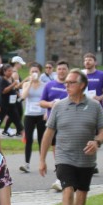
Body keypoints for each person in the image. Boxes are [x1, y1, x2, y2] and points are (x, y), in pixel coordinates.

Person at [38, 68, 103, 205]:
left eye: (71, 83)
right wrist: (42, 159)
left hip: (86, 159)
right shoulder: (59, 106)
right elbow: (48, 134)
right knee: (68, 190)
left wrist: (97, 142)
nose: (66, 85)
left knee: (82, 194)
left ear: (82, 85)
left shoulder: (94, 106)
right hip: (64, 156)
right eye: (66, 83)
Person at [39, 61, 70, 191]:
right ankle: (60, 178)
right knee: (57, 151)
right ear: (57, 71)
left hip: (68, 123)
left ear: (68, 71)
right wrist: (50, 105)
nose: (62, 71)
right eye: (60, 69)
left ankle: (64, 178)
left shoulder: (70, 86)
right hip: (53, 123)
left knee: (66, 151)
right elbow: (41, 102)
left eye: (64, 69)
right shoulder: (49, 85)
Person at [18, 62, 47, 173]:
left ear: (40, 73)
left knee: (41, 139)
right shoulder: (26, 84)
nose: (34, 73)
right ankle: (27, 164)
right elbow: (23, 96)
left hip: (41, 114)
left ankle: (42, 162)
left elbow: (46, 99)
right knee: (28, 139)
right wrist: (30, 82)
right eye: (32, 71)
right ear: (29, 73)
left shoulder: (44, 85)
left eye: (36, 71)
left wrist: (46, 112)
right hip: (29, 115)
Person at [0, 64, 23, 137]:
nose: (10, 72)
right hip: (4, 104)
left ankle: (21, 132)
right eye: (8, 71)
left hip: (12, 104)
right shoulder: (2, 80)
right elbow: (4, 91)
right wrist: (13, 84)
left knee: (17, 119)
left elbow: (14, 89)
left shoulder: (12, 79)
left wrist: (18, 94)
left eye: (11, 71)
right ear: (4, 71)